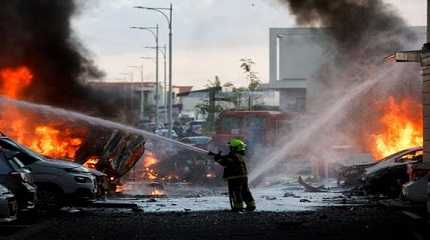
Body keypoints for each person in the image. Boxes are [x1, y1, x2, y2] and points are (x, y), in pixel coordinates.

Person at [209, 138, 256, 212]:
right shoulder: (238, 155)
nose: (230, 148)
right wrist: (217, 156)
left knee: (236, 192)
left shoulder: (234, 156)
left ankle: (238, 207)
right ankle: (251, 205)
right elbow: (227, 159)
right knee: (245, 191)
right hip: (242, 176)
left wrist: (218, 159)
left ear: (235, 148)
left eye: (231, 147)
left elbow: (226, 163)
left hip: (235, 177)